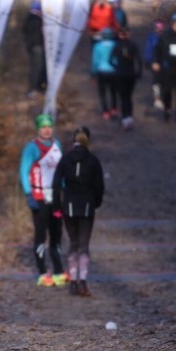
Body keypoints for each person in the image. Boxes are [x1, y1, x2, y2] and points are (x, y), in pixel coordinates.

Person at [53, 126, 105, 297]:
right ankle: (83, 280)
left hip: (69, 205)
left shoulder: (65, 159)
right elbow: (99, 187)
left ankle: (73, 280)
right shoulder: (93, 160)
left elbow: (56, 183)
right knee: (84, 245)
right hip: (87, 206)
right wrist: (96, 202)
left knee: (73, 243)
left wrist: (57, 205)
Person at [19, 114, 67, 287]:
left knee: (56, 234)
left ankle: (58, 271)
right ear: (38, 129)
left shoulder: (57, 145)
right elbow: (23, 171)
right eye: (43, 127)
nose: (47, 130)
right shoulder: (31, 148)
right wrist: (28, 193)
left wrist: (65, 188)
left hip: (55, 196)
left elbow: (61, 169)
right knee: (41, 235)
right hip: (38, 197)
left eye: (49, 126)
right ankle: (41, 272)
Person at [110, 26, 143, 131]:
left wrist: (116, 67)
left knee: (123, 97)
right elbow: (139, 60)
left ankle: (125, 120)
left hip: (120, 74)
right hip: (131, 74)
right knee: (128, 97)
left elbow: (110, 60)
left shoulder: (117, 45)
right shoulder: (133, 45)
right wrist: (139, 72)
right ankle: (129, 119)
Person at [91, 27, 118, 120]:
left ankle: (105, 111)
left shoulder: (97, 46)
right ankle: (114, 109)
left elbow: (95, 61)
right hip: (113, 71)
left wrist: (93, 74)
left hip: (101, 71)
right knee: (113, 91)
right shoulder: (116, 45)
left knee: (102, 92)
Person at [23, 1, 48, 98]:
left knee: (40, 67)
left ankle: (39, 87)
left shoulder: (31, 18)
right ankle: (33, 88)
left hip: (36, 46)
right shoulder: (35, 19)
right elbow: (35, 34)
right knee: (37, 68)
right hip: (37, 47)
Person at [143, 20, 165, 109]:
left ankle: (164, 99)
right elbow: (148, 51)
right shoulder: (152, 38)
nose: (159, 30)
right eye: (157, 28)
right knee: (157, 81)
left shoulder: (166, 37)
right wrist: (151, 63)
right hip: (155, 63)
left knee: (165, 82)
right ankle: (157, 99)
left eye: (161, 28)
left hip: (166, 63)